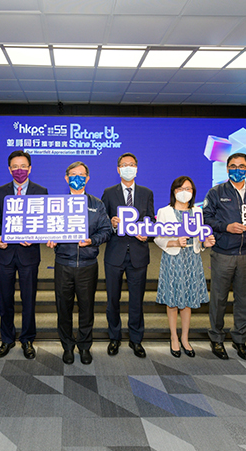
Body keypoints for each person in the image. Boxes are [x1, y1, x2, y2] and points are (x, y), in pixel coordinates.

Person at [203, 153, 246, 361]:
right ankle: (217, 338)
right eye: (232, 166)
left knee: (244, 299)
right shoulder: (216, 192)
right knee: (219, 298)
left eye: (241, 166)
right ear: (226, 168)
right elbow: (206, 218)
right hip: (223, 253)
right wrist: (226, 227)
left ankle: (239, 339)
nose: (237, 169)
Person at [47, 161, 111, 365]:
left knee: (86, 308)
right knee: (63, 308)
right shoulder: (56, 204)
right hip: (63, 264)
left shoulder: (96, 204)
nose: (77, 178)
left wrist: (92, 241)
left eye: (81, 175)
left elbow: (107, 230)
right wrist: (50, 237)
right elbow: (46, 228)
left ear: (87, 178)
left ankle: (84, 346)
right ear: (66, 178)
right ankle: (67, 346)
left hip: (87, 265)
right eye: (73, 174)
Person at [0, 150, 48, 359]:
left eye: (23, 166)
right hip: (4, 254)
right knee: (5, 300)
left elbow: (44, 222)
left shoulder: (40, 191)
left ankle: (27, 339)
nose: (19, 170)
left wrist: (34, 236)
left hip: (28, 254)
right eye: (15, 167)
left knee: (28, 300)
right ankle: (6, 339)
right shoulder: (0, 192)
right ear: (9, 169)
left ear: (30, 168)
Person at [154, 176, 215, 358]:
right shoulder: (164, 211)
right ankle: (173, 337)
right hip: (173, 259)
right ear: (174, 192)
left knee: (188, 301)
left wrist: (206, 242)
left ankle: (185, 338)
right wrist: (173, 242)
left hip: (192, 259)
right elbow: (157, 238)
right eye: (180, 189)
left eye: (188, 189)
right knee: (172, 301)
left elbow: (200, 238)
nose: (184, 192)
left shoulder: (197, 211)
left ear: (193, 192)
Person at [101, 152, 155, 358]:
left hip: (139, 254)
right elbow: (102, 221)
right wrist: (112, 223)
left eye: (131, 164)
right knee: (112, 299)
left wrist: (146, 234)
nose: (128, 167)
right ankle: (114, 337)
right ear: (118, 169)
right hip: (115, 253)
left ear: (137, 168)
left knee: (136, 300)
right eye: (124, 165)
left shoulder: (146, 192)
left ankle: (136, 339)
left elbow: (151, 219)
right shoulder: (109, 192)